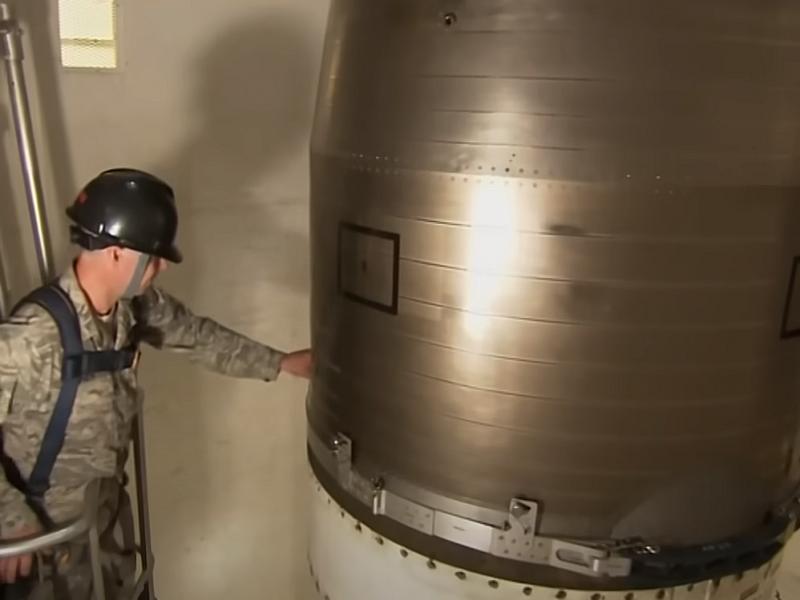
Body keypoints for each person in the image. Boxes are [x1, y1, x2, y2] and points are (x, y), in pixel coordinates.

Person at [0, 168, 312, 598]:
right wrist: (11, 517)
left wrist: (282, 363)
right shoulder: (31, 336)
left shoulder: (131, 307)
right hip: (44, 552)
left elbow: (197, 336)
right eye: (153, 257)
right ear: (115, 253)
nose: (161, 266)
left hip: (102, 532)